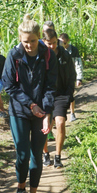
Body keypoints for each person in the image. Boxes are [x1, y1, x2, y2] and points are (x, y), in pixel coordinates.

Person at [2, 15, 57, 193]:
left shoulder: (47, 55)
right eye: (25, 41)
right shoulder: (13, 55)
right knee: (23, 154)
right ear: (20, 39)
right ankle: (20, 190)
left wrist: (47, 114)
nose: (29, 45)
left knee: (36, 154)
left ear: (39, 38)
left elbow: (51, 86)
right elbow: (9, 86)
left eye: (33, 41)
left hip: (40, 112)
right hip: (19, 111)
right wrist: (30, 104)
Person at [42, 28, 76, 169]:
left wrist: (69, 94)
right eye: (49, 44)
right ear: (44, 42)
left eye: (54, 43)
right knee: (44, 126)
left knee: (60, 123)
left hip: (61, 94)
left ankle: (57, 156)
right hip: (44, 95)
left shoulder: (65, 56)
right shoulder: (40, 56)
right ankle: (45, 154)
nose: (52, 46)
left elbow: (71, 76)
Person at [59, 33, 83, 121]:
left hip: (70, 75)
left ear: (68, 41)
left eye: (64, 43)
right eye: (61, 43)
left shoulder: (73, 50)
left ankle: (72, 113)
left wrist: (79, 77)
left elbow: (78, 64)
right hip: (61, 76)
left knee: (71, 95)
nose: (63, 45)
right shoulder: (57, 50)